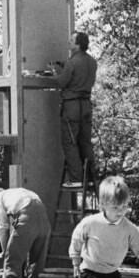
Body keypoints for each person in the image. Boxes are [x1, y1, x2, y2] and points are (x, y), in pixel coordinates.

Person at [0, 186, 50, 278]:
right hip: (43, 217)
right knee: (36, 263)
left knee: (12, 263)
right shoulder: (16, 192)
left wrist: (5, 251)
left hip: (27, 216)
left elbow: (2, 228)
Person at [52, 31, 98, 187]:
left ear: (78, 45)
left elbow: (62, 82)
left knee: (70, 142)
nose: (69, 43)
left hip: (72, 106)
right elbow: (80, 74)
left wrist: (56, 72)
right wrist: (66, 67)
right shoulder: (92, 61)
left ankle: (77, 179)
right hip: (86, 105)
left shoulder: (72, 62)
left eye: (71, 41)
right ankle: (91, 177)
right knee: (85, 142)